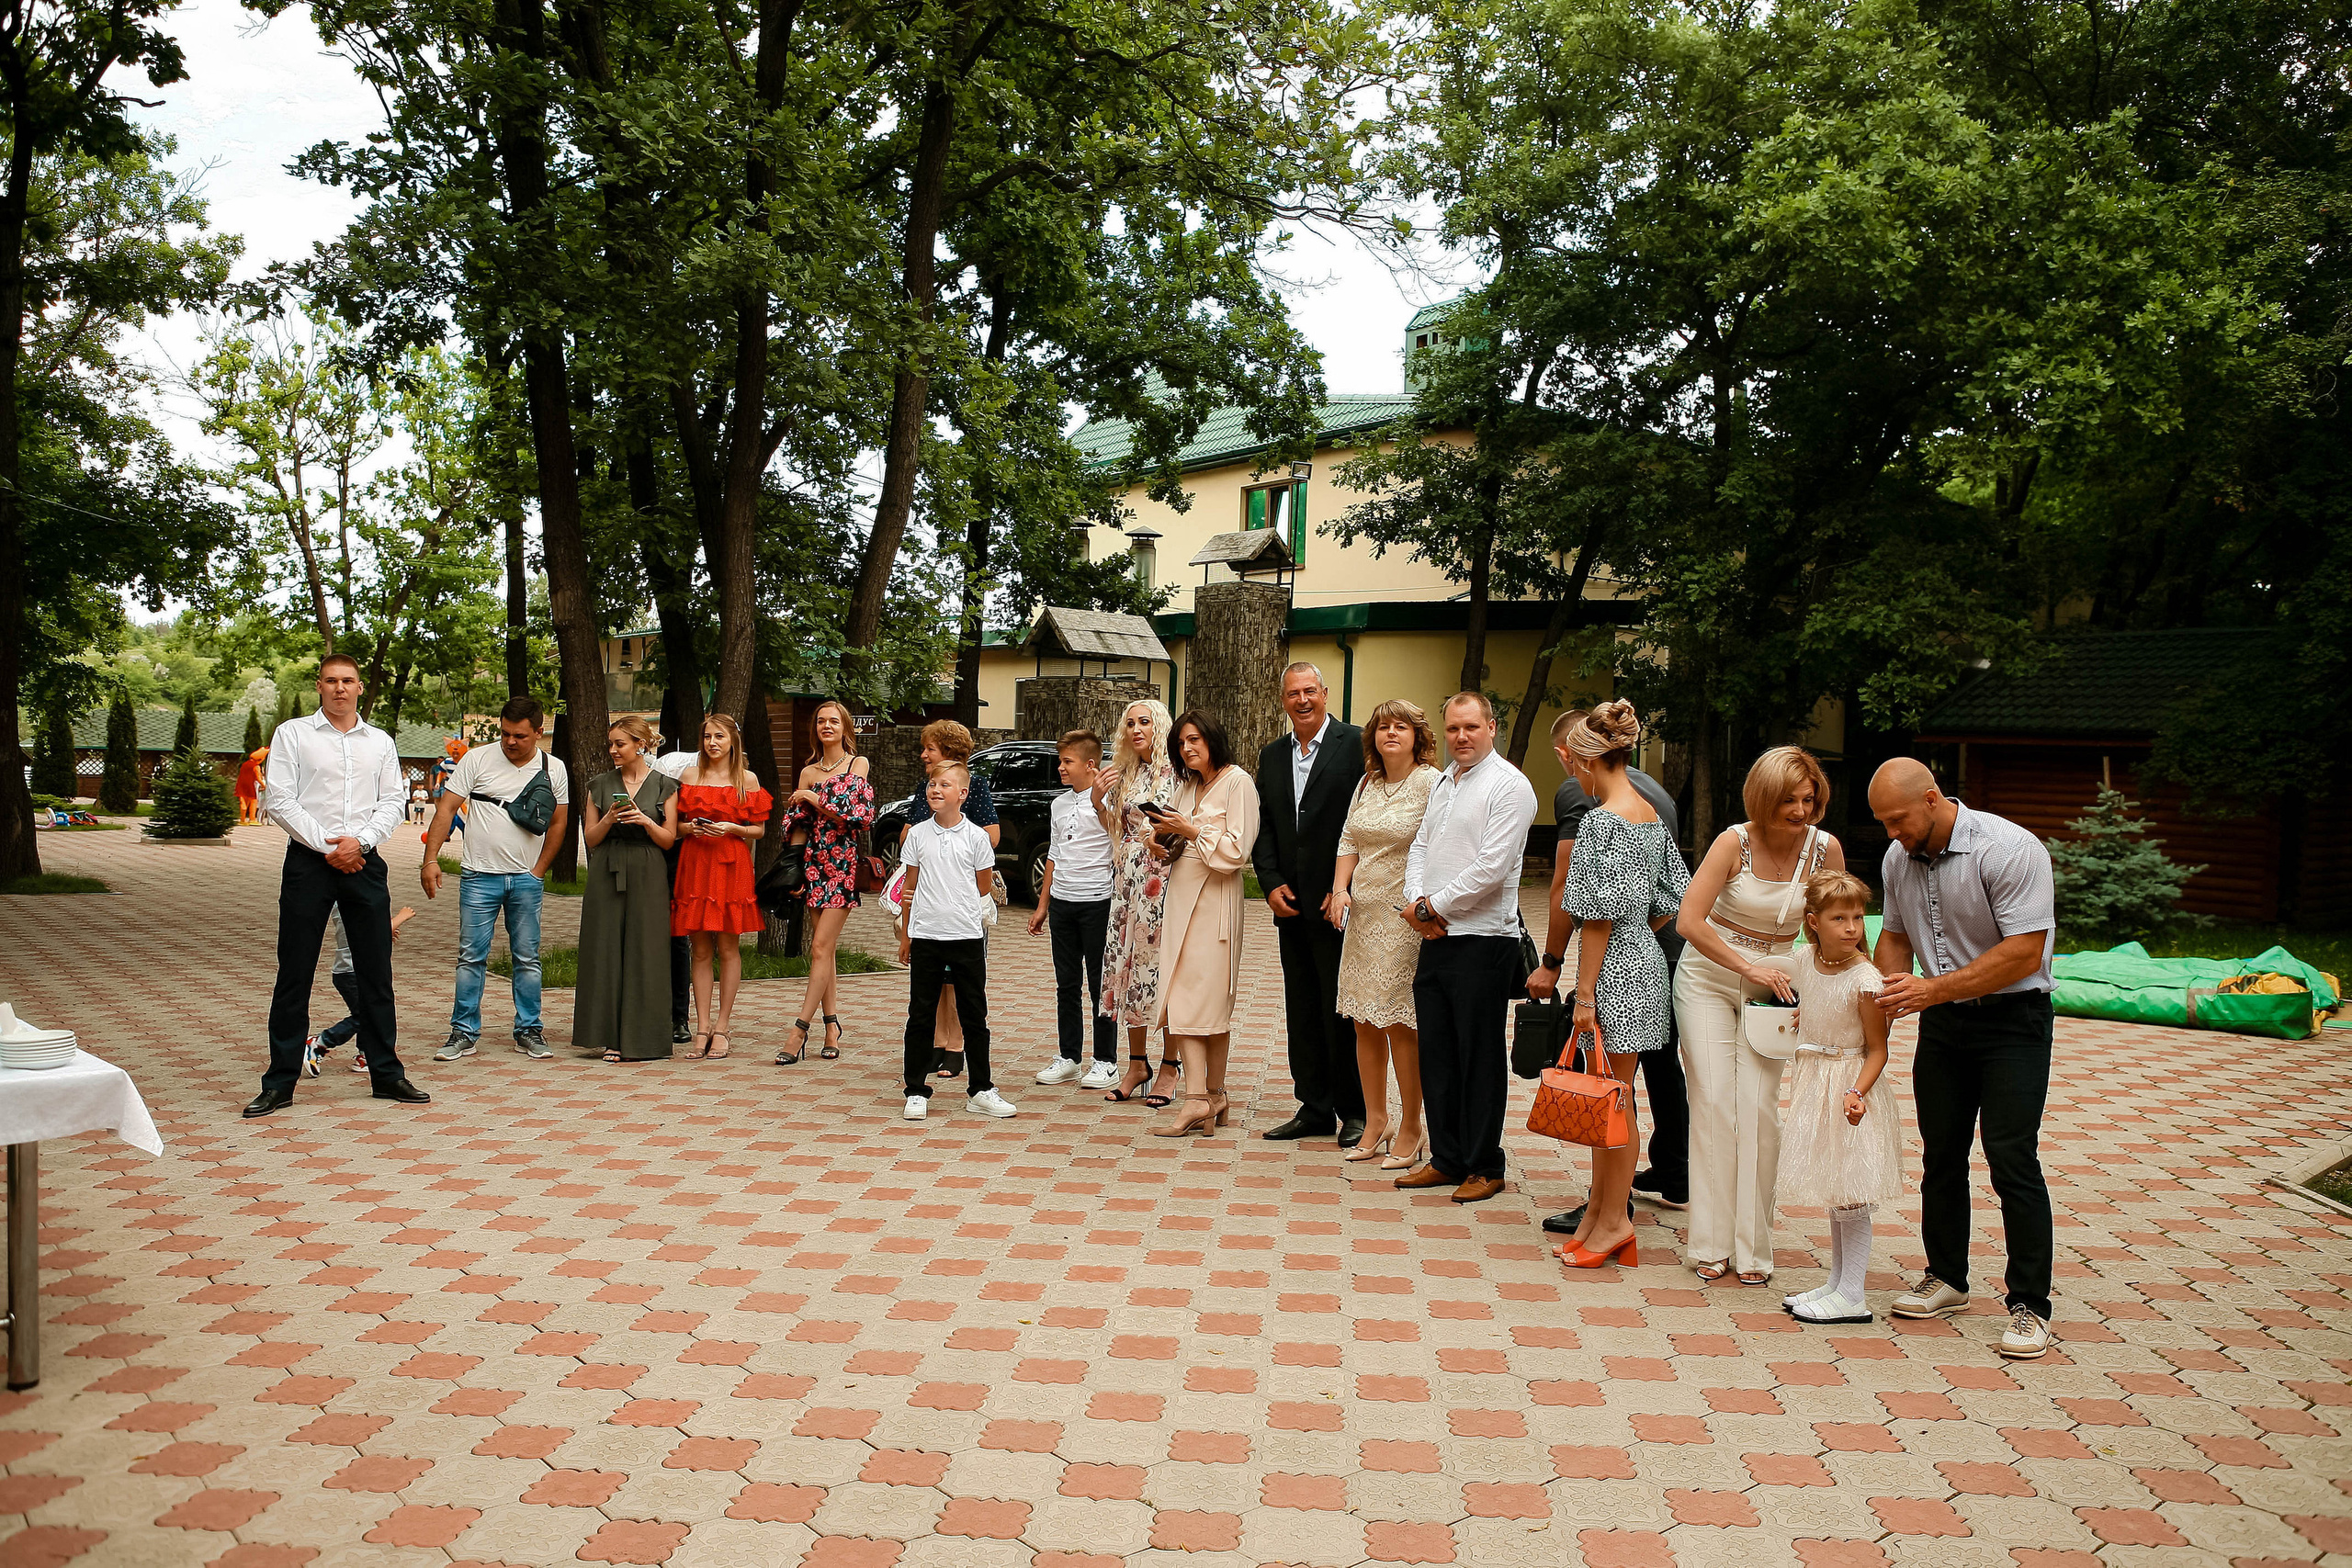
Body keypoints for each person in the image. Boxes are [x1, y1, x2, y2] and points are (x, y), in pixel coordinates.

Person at [1870, 757, 2060, 1359]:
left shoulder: (2011, 850)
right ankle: (1947, 1276)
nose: (1891, 833)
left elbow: (2024, 953)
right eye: (1882, 823)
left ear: (1932, 799)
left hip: (2014, 1021)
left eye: (1898, 819)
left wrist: (1929, 989)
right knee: (1942, 1152)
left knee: (2011, 1156)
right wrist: (1884, 994)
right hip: (1945, 1022)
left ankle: (2030, 1303)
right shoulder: (1899, 856)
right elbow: (1896, 936)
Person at [1673, 746, 1844, 1286]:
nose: (1799, 811)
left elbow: (1834, 924)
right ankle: (1710, 1243)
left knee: (1760, 1111)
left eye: (1807, 799)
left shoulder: (1825, 850)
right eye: (1787, 801)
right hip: (1707, 977)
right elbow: (1688, 921)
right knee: (1715, 1104)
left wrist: (1839, 989)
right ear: (1761, 799)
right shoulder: (1733, 842)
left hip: (1774, 990)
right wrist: (1747, 964)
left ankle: (1755, 1251)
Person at [246, 653, 430, 1118]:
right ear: (319, 685)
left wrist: (360, 844)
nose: (340, 688)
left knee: (375, 972)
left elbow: (394, 801)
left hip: (364, 862)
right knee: (294, 972)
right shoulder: (293, 734)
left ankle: (387, 1074)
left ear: (360, 687)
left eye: (348, 680)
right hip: (309, 863)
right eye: (331, 680)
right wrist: (328, 846)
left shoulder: (381, 742)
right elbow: (280, 799)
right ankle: (279, 1082)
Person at [1533, 708, 1689, 1235]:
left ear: (1582, 758)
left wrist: (1582, 994)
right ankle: (1601, 1216)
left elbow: (1595, 918)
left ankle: (1612, 1222)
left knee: (1614, 1100)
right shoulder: (1647, 810)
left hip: (1615, 968)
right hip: (1646, 957)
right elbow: (1674, 900)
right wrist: (1638, 922)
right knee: (1615, 1096)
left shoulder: (1602, 818)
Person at [1395, 694, 1538, 1204]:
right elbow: (1420, 847)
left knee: (1477, 1056)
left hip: (1484, 939)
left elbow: (1493, 868)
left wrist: (1434, 907)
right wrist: (1416, 904)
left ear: (1491, 727)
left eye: (1471, 727)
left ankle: (1485, 1164)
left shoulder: (1511, 786)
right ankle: (1448, 1157)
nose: (1461, 737)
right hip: (1435, 936)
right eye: (1453, 728)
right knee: (1437, 1052)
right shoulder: (1443, 782)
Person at [1251, 663, 1368, 1146]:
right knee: (1301, 1005)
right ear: (1283, 700)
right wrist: (1271, 882)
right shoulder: (1273, 755)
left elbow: (1367, 821)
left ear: (1325, 694)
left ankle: (1355, 1110)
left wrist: (1345, 884)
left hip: (1339, 901)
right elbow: (1266, 826)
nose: (1303, 700)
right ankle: (1314, 1106)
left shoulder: (1356, 744)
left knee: (1339, 1008)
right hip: (1292, 904)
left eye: (1310, 692)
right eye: (1293, 694)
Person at [1778, 871, 1901, 1325]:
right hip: (1816, 1084)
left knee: (1852, 1192)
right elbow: (1815, 1001)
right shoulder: (1806, 961)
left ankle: (1853, 1295)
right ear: (1814, 922)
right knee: (1836, 1189)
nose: (1852, 927)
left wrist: (1857, 1092)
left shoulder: (1866, 980)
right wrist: (1803, 1016)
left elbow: (1878, 1048)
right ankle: (1836, 1282)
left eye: (1857, 917)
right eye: (1839, 918)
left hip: (1850, 1088)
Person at [422, 697, 571, 1062]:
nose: (510, 742)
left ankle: (529, 1030)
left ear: (539, 732)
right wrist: (430, 859)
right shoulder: (477, 759)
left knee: (528, 958)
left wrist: (540, 870)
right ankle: (463, 1032)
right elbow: (447, 809)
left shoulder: (554, 767)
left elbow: (559, 823)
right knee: (471, 957)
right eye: (505, 733)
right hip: (478, 876)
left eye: (520, 735)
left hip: (526, 879)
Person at [1325, 700, 1440, 1168]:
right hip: (1364, 916)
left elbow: (1437, 844)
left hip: (1404, 916)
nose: (1390, 733)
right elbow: (1348, 839)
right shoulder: (1368, 782)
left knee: (1398, 1022)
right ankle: (1376, 1119)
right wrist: (1338, 889)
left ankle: (1413, 1123)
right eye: (1383, 727)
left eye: (1401, 727)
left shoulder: (1432, 783)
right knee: (1361, 1020)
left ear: (1418, 736)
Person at [1149, 712, 1261, 1137]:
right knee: (1186, 996)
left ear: (1213, 738)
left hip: (1215, 905)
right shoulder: (1187, 785)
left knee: (1201, 1002)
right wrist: (1162, 840)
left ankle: (1197, 1099)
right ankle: (1213, 1094)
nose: (1187, 748)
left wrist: (1191, 830)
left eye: (1194, 739)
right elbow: (1174, 840)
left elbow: (1236, 852)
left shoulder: (1239, 783)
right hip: (1181, 901)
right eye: (1180, 743)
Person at [897, 762, 1014, 1120]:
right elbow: (909, 888)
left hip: (966, 935)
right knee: (920, 1014)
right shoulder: (917, 834)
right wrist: (906, 935)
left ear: (962, 794)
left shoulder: (977, 837)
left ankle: (981, 1088)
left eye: (945, 785)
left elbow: (982, 886)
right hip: (927, 935)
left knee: (974, 1014)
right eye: (932, 784)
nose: (935, 790)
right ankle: (916, 1090)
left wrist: (956, 906)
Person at [1093, 700, 1183, 1106]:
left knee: (1162, 968)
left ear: (1160, 725)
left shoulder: (1178, 771)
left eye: (1144, 721)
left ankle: (1169, 1067)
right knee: (1127, 966)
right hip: (1128, 877)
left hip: (1163, 877)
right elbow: (1115, 827)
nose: (1135, 729)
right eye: (1129, 723)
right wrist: (1099, 801)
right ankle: (1136, 1063)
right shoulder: (1128, 771)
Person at [578, 716, 683, 1064]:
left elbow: (669, 839)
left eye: (619, 744)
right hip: (607, 868)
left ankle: (646, 1039)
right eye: (611, 744)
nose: (612, 750)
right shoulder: (597, 784)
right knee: (605, 948)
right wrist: (609, 818)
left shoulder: (666, 785)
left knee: (646, 950)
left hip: (649, 868)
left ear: (641, 744)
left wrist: (645, 820)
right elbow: (591, 840)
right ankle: (608, 1037)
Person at [778, 700, 875, 1065]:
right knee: (826, 950)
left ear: (845, 727)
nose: (827, 726)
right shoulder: (807, 771)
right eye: (821, 721)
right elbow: (798, 826)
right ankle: (832, 1025)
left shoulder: (857, 764)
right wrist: (797, 870)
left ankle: (799, 1028)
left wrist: (812, 797)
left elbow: (855, 816)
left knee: (819, 948)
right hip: (814, 864)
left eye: (834, 721)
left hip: (841, 863)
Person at [671, 714, 771, 1060]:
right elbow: (676, 826)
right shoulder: (689, 776)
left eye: (719, 737)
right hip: (696, 860)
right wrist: (690, 830)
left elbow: (758, 830)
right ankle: (701, 1027)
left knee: (728, 947)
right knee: (699, 949)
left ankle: (723, 1026)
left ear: (733, 741)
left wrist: (732, 827)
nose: (712, 743)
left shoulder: (747, 779)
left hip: (731, 863)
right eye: (708, 736)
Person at [1027, 730, 1121, 1089]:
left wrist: (1099, 802)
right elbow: (1053, 854)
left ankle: (1106, 1060)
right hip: (1063, 905)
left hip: (1098, 903)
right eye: (1061, 760)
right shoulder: (1059, 804)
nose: (1061, 768)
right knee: (1066, 984)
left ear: (1090, 764)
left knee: (1101, 985)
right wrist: (1043, 904)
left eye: (1067, 761)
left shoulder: (1110, 800)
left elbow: (1118, 837)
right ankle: (1069, 1057)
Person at [303, 906, 415, 1077]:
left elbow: (371, 933)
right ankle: (319, 1043)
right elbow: (374, 931)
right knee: (366, 1015)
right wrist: (401, 917)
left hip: (352, 970)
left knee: (366, 1013)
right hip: (351, 972)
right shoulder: (346, 903)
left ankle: (366, 1055)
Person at [235, 747, 266, 826]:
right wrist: (264, 785)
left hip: (241, 784)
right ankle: (252, 819)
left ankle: (242, 819)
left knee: (243, 799)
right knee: (253, 800)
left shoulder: (244, 764)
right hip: (250, 785)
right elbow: (258, 778)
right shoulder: (256, 766)